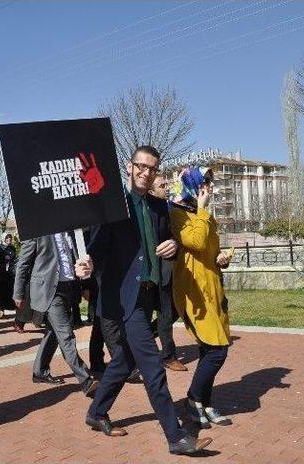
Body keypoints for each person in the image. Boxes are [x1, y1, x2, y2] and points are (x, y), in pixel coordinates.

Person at [82, 145, 212, 456]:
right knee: (153, 366)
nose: (146, 172)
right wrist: (85, 264)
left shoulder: (158, 207)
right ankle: (175, 436)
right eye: (141, 166)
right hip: (122, 299)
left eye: (152, 168)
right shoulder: (113, 206)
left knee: (124, 361)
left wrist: (173, 247)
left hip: (147, 293)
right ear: (129, 167)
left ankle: (96, 412)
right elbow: (95, 248)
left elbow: (171, 241)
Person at [170, 166, 233, 429]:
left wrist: (221, 259)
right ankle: (193, 399)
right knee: (218, 351)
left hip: (213, 287)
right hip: (193, 291)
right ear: (193, 185)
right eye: (205, 182)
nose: (209, 187)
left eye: (209, 183)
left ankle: (205, 404)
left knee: (210, 349)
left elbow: (208, 247)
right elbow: (194, 242)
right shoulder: (176, 212)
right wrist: (204, 209)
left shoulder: (201, 213)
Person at [13, 231, 98, 398]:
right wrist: (18, 292)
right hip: (49, 290)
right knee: (66, 334)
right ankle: (85, 380)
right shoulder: (37, 232)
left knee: (54, 331)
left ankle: (40, 370)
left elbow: (78, 258)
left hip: (69, 287)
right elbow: (22, 263)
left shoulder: (71, 231)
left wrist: (85, 283)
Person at [148, 175, 188, 372]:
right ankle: (168, 356)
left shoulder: (166, 207)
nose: (167, 188)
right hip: (150, 273)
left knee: (172, 311)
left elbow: (172, 235)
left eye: (167, 184)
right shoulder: (146, 209)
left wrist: (174, 243)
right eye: (162, 185)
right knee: (162, 314)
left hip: (167, 269)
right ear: (151, 190)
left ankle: (151, 342)